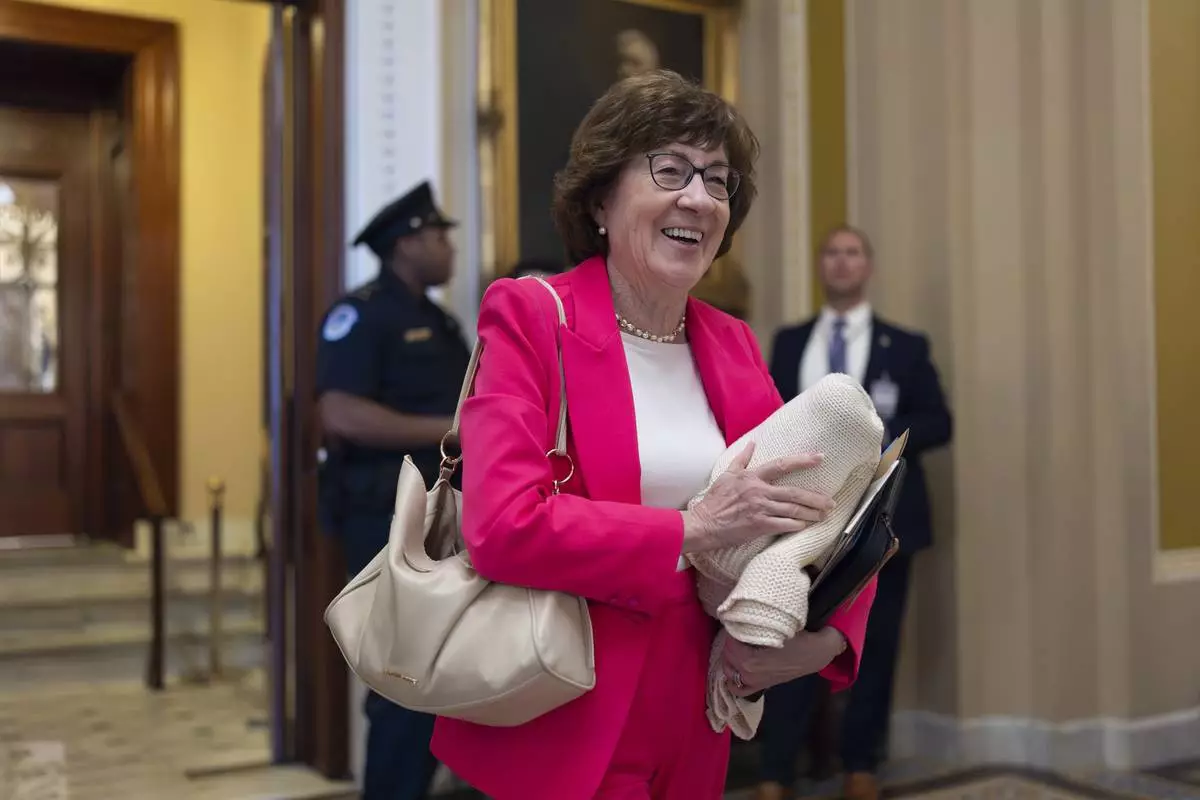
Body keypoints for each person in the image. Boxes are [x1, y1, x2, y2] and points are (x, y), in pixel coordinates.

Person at [429, 70, 878, 800]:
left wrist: (827, 640)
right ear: (601, 200)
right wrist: (695, 530)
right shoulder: (533, 317)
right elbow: (503, 527)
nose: (698, 198)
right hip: (563, 708)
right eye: (669, 169)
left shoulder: (731, 342)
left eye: (717, 180)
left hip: (698, 709)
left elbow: (829, 502)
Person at [756, 224, 953, 800]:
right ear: (821, 266)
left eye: (852, 253)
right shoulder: (791, 342)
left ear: (867, 267)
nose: (842, 263)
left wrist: (874, 434)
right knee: (785, 635)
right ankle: (775, 771)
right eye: (832, 253)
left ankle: (860, 765)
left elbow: (939, 422)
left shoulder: (905, 346)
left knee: (875, 644)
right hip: (803, 517)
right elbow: (768, 413)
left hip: (882, 524)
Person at [315, 180, 470, 800]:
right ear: (406, 243)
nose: (449, 248)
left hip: (441, 514)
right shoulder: (362, 314)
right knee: (403, 680)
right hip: (383, 516)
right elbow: (341, 414)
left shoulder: (439, 320)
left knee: (440, 674)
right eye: (438, 236)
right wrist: (451, 432)